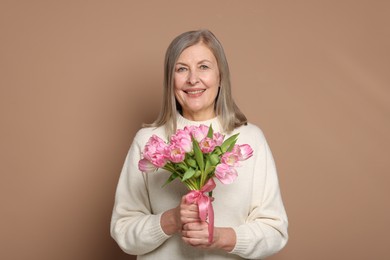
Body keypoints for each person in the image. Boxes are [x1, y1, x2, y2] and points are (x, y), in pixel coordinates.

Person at [110, 29, 288, 259]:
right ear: (169, 79)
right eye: (181, 69)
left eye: (204, 67)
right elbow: (123, 230)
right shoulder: (148, 142)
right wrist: (172, 220)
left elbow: (275, 231)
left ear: (220, 76)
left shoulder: (250, 140)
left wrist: (221, 238)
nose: (193, 79)